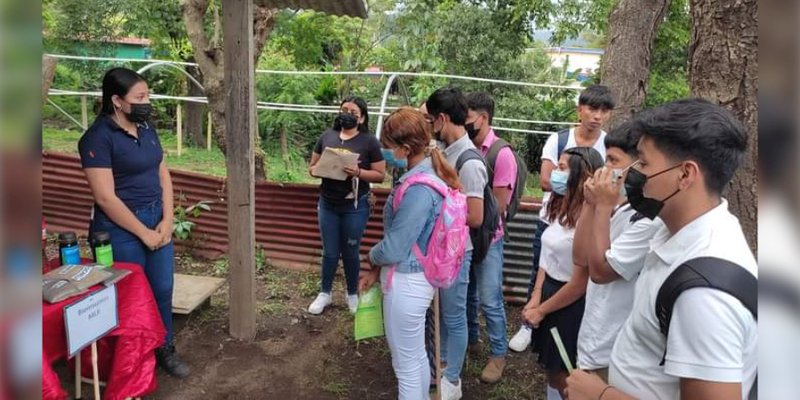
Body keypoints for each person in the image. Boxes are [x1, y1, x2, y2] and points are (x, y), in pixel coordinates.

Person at [566, 99, 757, 400]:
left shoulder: (704, 294)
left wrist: (601, 395)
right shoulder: (673, 232)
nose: (633, 173)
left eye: (642, 163)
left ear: (685, 175)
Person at [78, 67, 189, 378]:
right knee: (130, 296)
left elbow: (162, 174)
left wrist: (168, 220)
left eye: (148, 96)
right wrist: (143, 233)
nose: (147, 102)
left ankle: (164, 347)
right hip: (120, 229)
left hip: (156, 216)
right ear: (116, 100)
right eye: (139, 97)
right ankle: (133, 361)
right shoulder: (97, 138)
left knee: (163, 288)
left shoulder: (146, 127)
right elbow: (105, 198)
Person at [358, 107, 462, 400]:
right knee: (415, 358)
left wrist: (371, 256)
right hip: (417, 279)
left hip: (407, 281)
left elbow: (395, 247)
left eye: (388, 147)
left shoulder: (418, 188)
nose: (385, 153)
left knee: (404, 365)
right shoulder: (428, 174)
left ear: (405, 148)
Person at [510, 84, 614, 353]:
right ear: (580, 109)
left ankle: (551, 319)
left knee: (573, 272)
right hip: (554, 215)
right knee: (542, 268)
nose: (597, 116)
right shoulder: (559, 140)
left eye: (604, 110)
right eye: (592, 109)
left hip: (582, 218)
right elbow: (545, 181)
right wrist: (572, 184)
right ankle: (530, 323)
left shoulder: (608, 145)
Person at [572, 122, 663, 382]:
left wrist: (601, 207)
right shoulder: (617, 207)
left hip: (615, 351)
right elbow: (580, 259)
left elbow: (600, 272)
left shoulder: (648, 220)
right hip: (593, 336)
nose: (605, 169)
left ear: (638, 167)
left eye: (613, 160)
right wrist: (591, 206)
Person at [523, 147, 604, 398]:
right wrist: (536, 296)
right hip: (549, 294)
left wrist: (541, 309)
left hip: (570, 304)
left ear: (582, 175)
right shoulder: (561, 206)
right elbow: (546, 259)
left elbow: (580, 282)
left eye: (561, 168)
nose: (554, 173)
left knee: (566, 375)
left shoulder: (590, 219)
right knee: (552, 369)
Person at [424, 87, 486, 396]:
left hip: (456, 253)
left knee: (454, 315)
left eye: (432, 120)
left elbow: (475, 216)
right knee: (443, 315)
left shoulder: (470, 162)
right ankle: (443, 363)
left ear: (443, 119)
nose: (430, 127)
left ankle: (453, 380)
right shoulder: (446, 151)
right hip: (441, 250)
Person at [307, 96, 386, 315]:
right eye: (344, 110)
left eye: (353, 112)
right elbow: (311, 167)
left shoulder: (370, 142)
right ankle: (325, 293)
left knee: (351, 250)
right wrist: (319, 169)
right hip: (328, 203)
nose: (347, 115)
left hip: (355, 205)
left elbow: (380, 175)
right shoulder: (327, 136)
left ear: (362, 118)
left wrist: (359, 172)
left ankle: (352, 293)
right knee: (330, 251)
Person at [463, 91, 518, 384]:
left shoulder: (501, 154)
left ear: (482, 118)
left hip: (488, 238)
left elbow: (497, 207)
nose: (464, 123)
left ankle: (498, 354)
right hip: (465, 235)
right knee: (468, 293)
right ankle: (472, 340)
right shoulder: (464, 147)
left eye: (468, 118)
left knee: (490, 298)